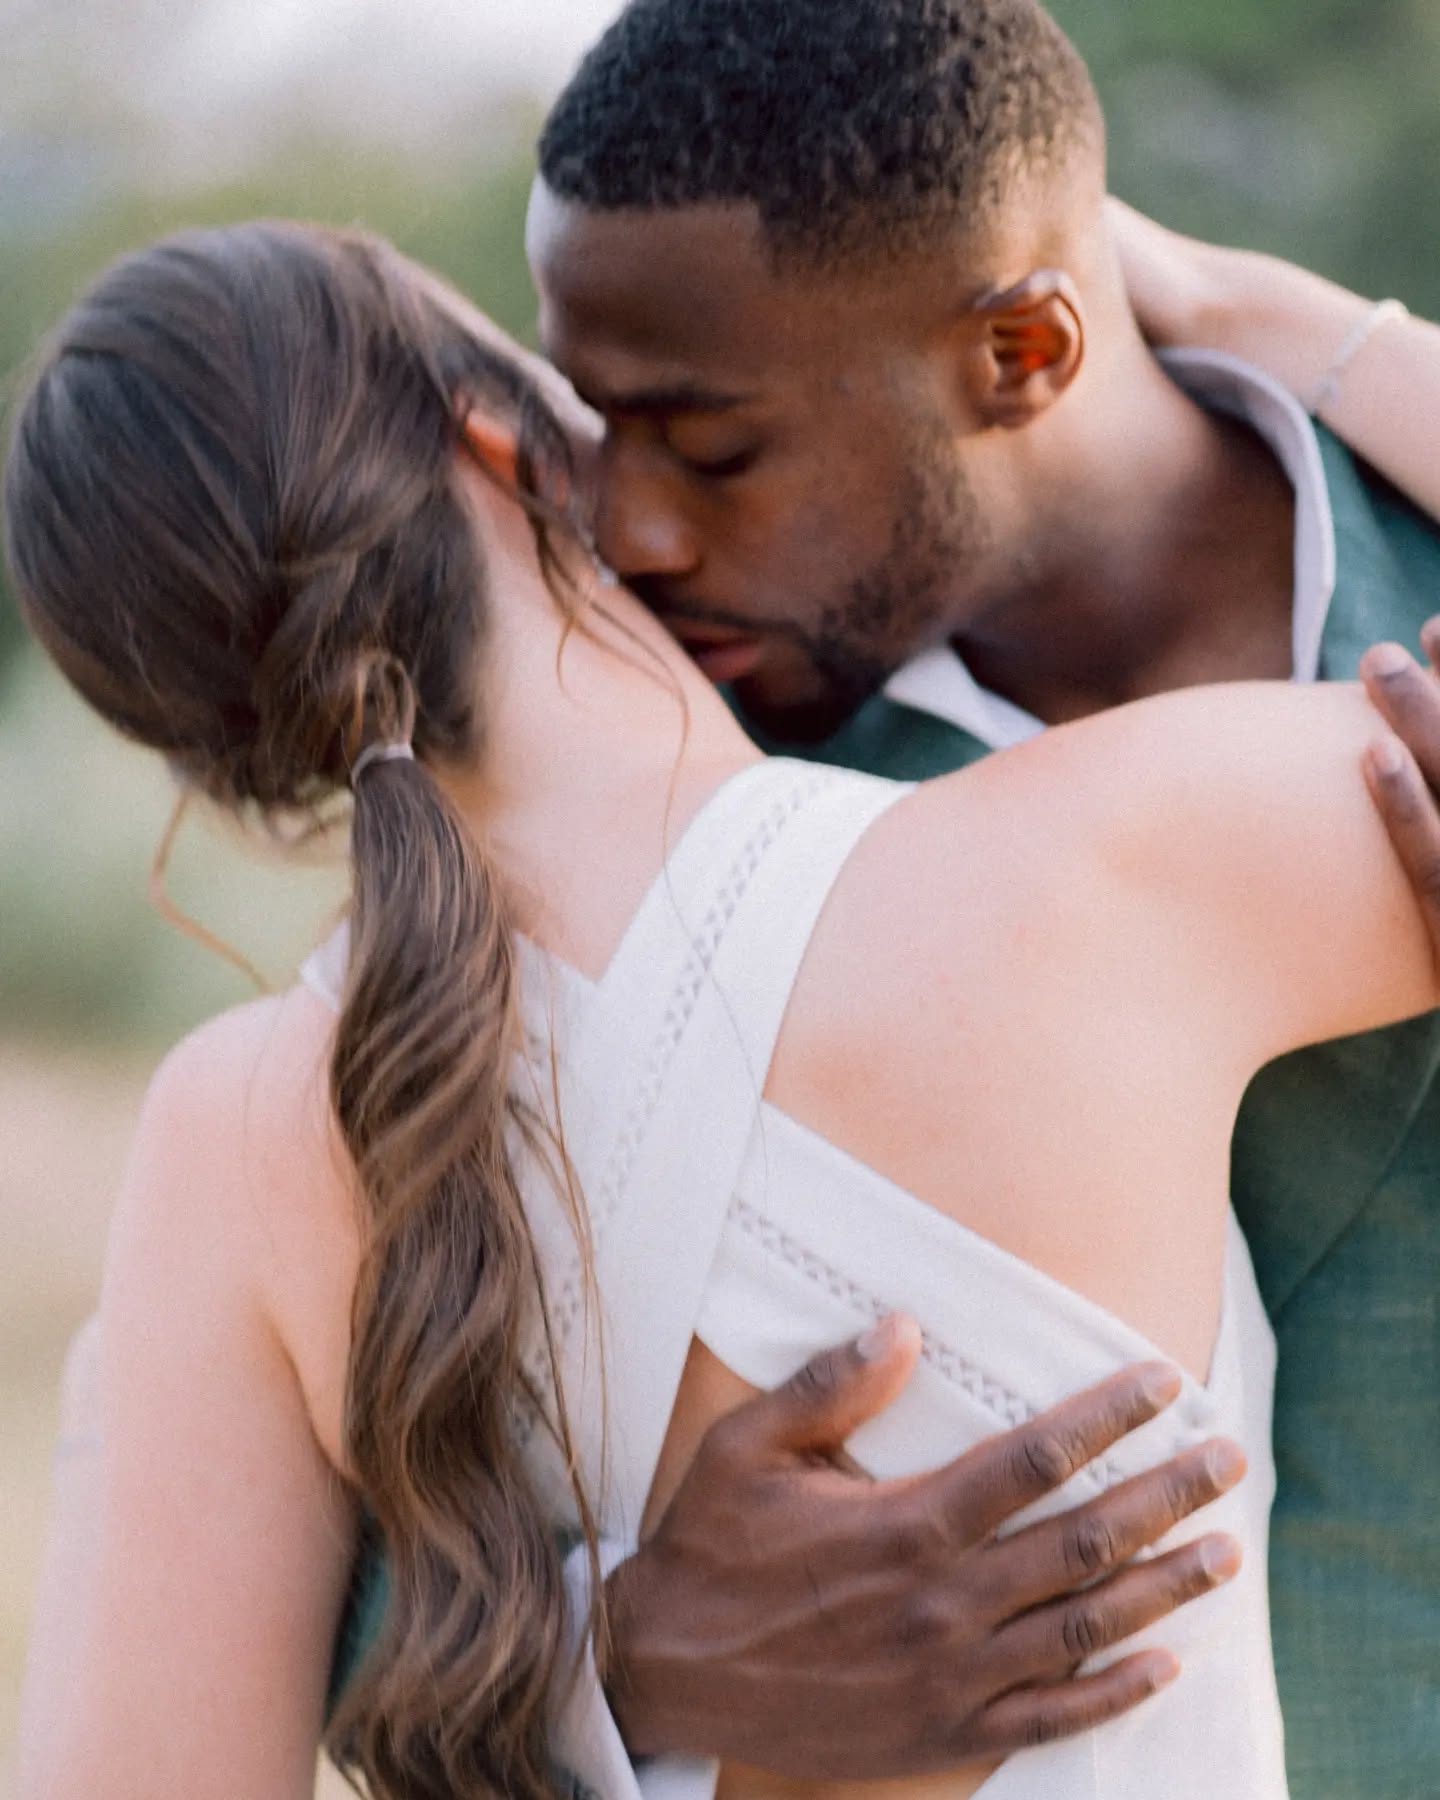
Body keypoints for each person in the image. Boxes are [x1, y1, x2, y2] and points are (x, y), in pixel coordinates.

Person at [7, 219, 1440, 1800]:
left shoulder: (239, 1136)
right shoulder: (1112, 860)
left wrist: (545, 1673)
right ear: (504, 439)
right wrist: (1285, 317)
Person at [525, 3, 1440, 1793]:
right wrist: (611, 1653)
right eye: (594, 431)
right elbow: (350, 1483)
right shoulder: (650, 795)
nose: (627, 531)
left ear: (1022, 346)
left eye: (709, 447)